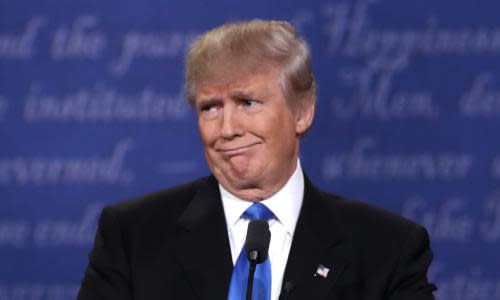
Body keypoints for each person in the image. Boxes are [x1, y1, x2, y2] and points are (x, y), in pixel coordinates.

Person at [77, 19, 436, 300]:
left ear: (302, 112)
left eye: (247, 102)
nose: (227, 128)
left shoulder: (387, 249)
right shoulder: (133, 236)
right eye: (210, 108)